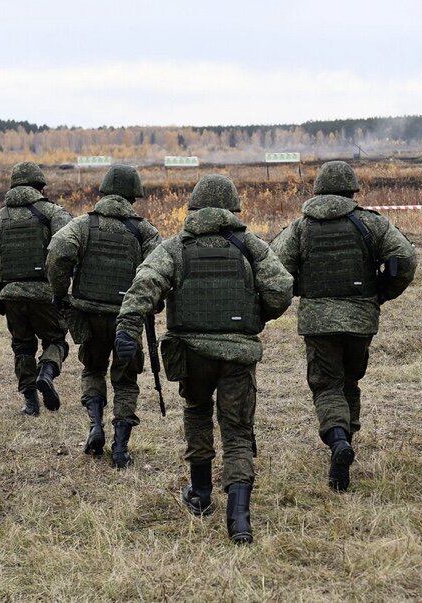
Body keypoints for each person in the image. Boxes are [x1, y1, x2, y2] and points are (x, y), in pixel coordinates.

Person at [114, 175, 293, 544]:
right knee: (238, 432)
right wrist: (251, 314)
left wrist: (127, 328)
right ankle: (239, 519)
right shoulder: (250, 246)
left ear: (193, 208)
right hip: (238, 354)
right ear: (232, 208)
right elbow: (281, 289)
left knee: (197, 411)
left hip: (191, 354)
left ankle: (200, 495)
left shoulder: (175, 247)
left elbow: (145, 283)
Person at [270, 161, 416, 492]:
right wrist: (382, 293)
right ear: (352, 190)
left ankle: (338, 441)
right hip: (361, 318)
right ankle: (346, 440)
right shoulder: (370, 224)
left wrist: (297, 291)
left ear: (319, 189)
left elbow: (276, 269)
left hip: (318, 321)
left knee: (326, 385)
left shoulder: (300, 228)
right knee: (349, 381)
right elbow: (404, 258)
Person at [47, 165, 161, 467]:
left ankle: (95, 426)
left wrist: (61, 292)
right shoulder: (145, 231)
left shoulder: (82, 225)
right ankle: (121, 448)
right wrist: (151, 304)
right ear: (132, 194)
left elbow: (58, 252)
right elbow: (158, 273)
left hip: (89, 316)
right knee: (125, 381)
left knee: (93, 370)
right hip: (129, 319)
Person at [0, 162, 72, 416]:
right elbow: (66, 249)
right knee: (56, 340)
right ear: (39, 185)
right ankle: (47, 372)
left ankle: (30, 403)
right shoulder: (53, 213)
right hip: (45, 294)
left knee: (22, 347)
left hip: (11, 296)